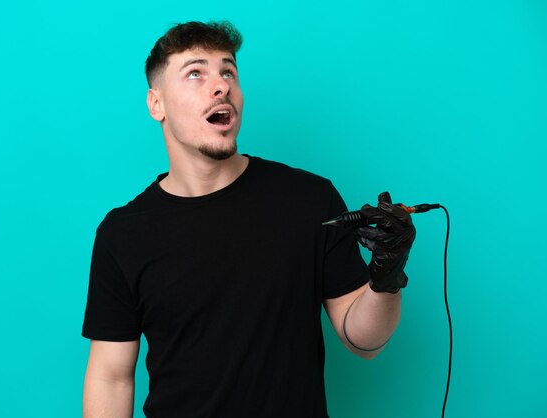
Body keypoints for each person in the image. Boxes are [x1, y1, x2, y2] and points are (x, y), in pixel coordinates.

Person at [81, 21, 416, 418]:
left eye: (228, 72)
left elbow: (365, 343)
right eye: (195, 73)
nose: (220, 85)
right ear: (157, 105)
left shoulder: (310, 199)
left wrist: (388, 279)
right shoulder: (123, 233)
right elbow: (111, 377)